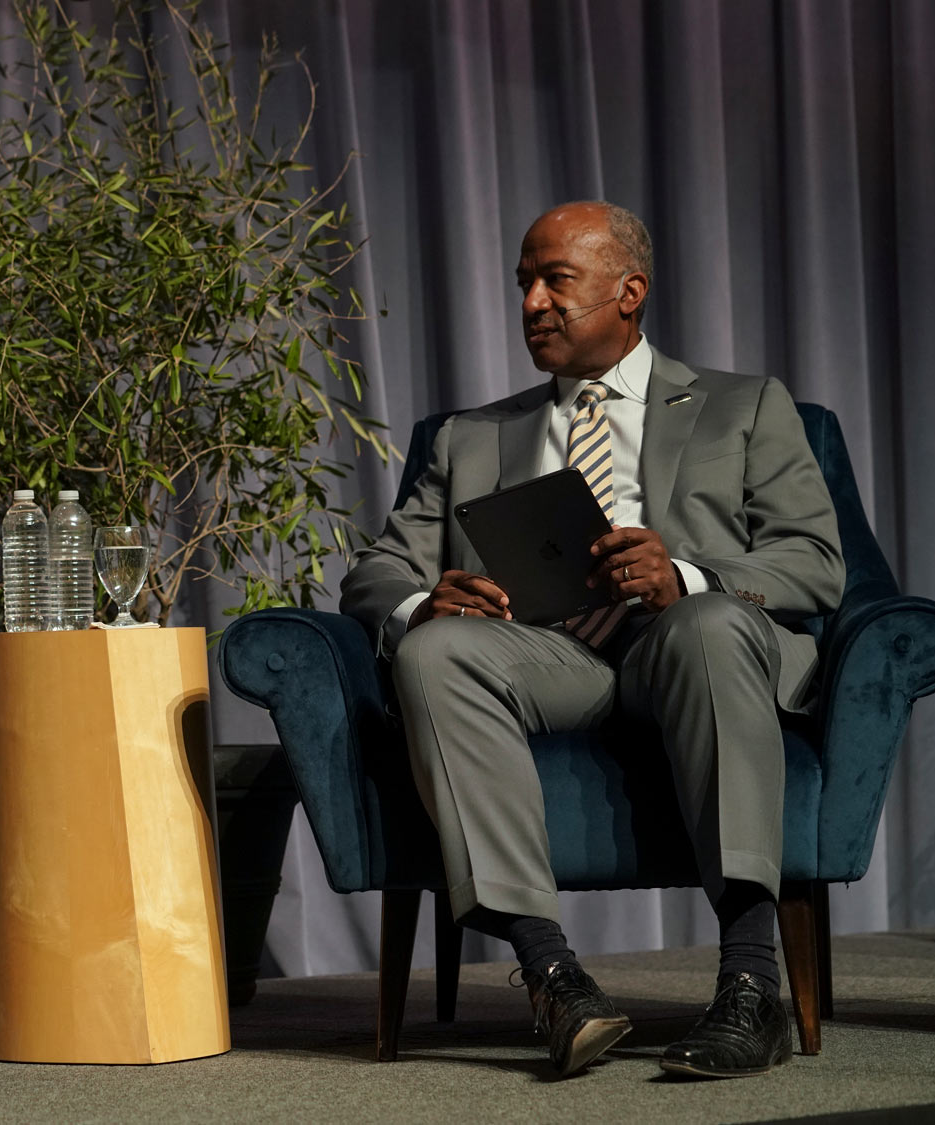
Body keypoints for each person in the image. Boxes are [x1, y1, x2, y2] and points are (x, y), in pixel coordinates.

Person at [339, 202, 843, 1079]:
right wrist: (426, 601)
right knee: (430, 651)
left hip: (686, 642)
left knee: (713, 622)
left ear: (629, 292)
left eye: (555, 280)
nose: (533, 301)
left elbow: (816, 561)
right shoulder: (471, 435)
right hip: (545, 658)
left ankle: (750, 985)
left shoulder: (744, 406)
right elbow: (376, 572)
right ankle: (554, 976)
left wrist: (685, 573)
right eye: (524, 283)